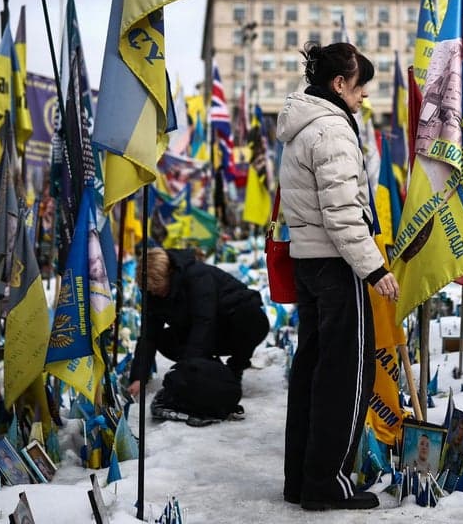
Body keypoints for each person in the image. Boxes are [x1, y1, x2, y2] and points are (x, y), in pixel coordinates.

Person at [278, 42, 400, 511]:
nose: (364, 95)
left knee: (311, 370)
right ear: (339, 85)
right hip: (337, 263)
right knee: (345, 376)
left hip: (309, 261)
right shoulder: (331, 130)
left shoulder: (301, 126)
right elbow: (343, 212)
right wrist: (373, 268)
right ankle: (327, 480)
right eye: (360, 85)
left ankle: (302, 478)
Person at [126, 246, 269, 402]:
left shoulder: (197, 276)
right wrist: (139, 377)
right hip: (202, 329)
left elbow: (204, 323)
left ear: (170, 274)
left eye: (158, 289)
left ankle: (234, 369)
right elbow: (148, 335)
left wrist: (187, 370)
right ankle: (212, 367)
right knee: (163, 339)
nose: (155, 294)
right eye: (151, 291)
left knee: (250, 317)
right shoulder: (153, 293)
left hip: (231, 325)